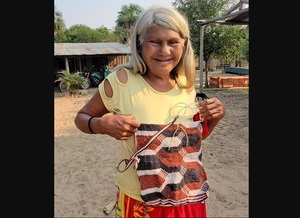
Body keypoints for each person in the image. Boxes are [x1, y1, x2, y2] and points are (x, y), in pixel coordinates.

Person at [74, 5, 225, 218]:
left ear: (185, 44)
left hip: (187, 198)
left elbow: (191, 141)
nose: (164, 51)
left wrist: (216, 115)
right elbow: (81, 118)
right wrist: (102, 125)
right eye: (155, 42)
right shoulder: (121, 82)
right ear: (139, 43)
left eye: (173, 42)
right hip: (140, 203)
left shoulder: (186, 84)